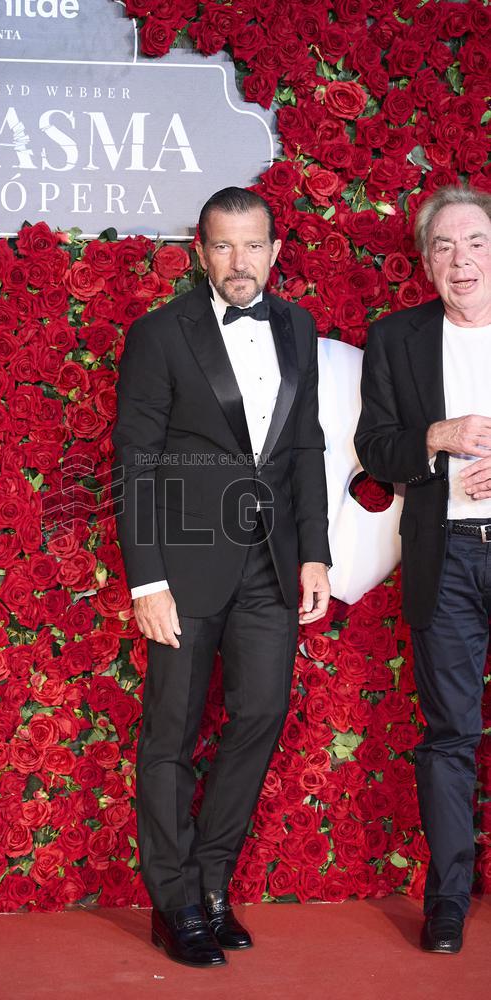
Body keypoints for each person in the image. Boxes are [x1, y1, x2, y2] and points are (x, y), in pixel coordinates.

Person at [112, 187, 331, 967]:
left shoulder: (298, 326)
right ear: (199, 250)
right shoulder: (159, 334)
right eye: (224, 247)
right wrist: (147, 582)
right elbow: (135, 464)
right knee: (168, 735)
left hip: (271, 564)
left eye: (255, 246)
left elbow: (305, 446)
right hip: (183, 566)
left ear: (276, 250)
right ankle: (172, 902)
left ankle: (209, 883)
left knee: (261, 715)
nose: (241, 264)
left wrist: (315, 552)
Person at [355, 186, 491, 955]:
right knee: (449, 735)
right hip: (447, 559)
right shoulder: (398, 338)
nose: (460, 259)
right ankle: (447, 902)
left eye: (474, 242)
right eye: (443, 246)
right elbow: (377, 447)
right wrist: (437, 435)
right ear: (426, 261)